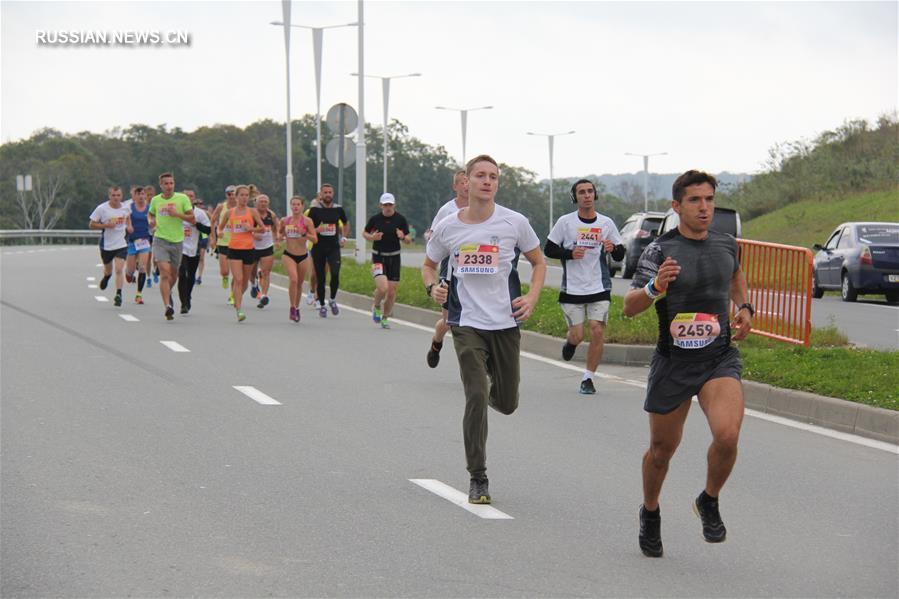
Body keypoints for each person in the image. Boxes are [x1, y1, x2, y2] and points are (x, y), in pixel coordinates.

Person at [623, 170, 754, 558]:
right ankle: (650, 511)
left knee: (727, 435)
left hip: (718, 358)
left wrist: (743, 306)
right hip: (674, 361)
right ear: (677, 206)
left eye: (709, 200)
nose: (704, 208)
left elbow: (734, 276)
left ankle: (709, 499)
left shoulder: (727, 243)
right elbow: (630, 306)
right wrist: (655, 287)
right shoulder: (660, 250)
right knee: (662, 450)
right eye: (695, 201)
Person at [422, 154, 546, 504]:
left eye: (493, 176)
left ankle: (492, 386)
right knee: (475, 393)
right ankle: (478, 476)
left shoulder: (514, 223)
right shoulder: (449, 226)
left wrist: (533, 298)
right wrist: (434, 288)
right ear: (467, 181)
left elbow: (539, 262)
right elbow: (429, 265)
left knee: (506, 403)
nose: (487, 181)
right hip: (466, 322)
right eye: (480, 175)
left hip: (506, 323)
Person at [543, 179, 625, 394]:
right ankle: (570, 343)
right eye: (582, 192)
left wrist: (612, 247)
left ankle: (588, 378)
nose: (587, 195)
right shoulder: (565, 222)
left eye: (590, 191)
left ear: (595, 195)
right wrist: (570, 253)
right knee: (578, 335)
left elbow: (620, 253)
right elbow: (549, 249)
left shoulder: (606, 223)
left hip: (599, 286)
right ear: (575, 197)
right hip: (572, 288)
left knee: (597, 330)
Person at [424, 170, 470, 367]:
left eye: (470, 181)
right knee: (450, 321)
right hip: (449, 269)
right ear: (456, 187)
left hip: (475, 273)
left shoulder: (485, 209)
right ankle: (437, 342)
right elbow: (433, 237)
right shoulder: (447, 211)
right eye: (463, 182)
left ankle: (476, 361)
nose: (467, 186)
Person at [148, 174, 195, 320]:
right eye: (166, 184)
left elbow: (192, 218)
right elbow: (150, 214)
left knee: (174, 275)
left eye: (171, 183)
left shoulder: (182, 199)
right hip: (160, 240)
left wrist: (177, 214)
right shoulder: (156, 200)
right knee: (165, 273)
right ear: (161, 186)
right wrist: (151, 222)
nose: (169, 186)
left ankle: (168, 292)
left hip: (177, 241)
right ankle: (167, 305)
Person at [363, 192, 411, 329]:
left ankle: (385, 317)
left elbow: (408, 240)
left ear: (394, 205)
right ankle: (377, 305)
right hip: (378, 256)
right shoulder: (375, 219)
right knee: (382, 287)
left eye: (390, 204)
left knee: (391, 292)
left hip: (395, 257)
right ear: (381, 206)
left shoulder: (400, 220)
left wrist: (402, 236)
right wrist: (372, 237)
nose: (388, 207)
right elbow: (364, 233)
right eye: (385, 205)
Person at [218, 184, 264, 322]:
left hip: (248, 249)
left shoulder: (252, 212)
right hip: (234, 249)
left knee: (244, 282)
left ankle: (237, 298)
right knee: (237, 279)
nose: (244, 198)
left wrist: (250, 229)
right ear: (236, 197)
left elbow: (262, 229)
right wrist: (219, 233)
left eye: (246, 195)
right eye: (241, 195)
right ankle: (239, 309)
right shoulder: (229, 213)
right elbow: (220, 228)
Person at [307, 183, 349, 317]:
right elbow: (307, 227)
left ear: (333, 194)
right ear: (321, 194)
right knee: (321, 277)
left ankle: (332, 299)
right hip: (318, 248)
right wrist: (316, 230)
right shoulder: (314, 210)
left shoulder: (338, 209)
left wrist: (344, 238)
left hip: (333, 248)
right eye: (325, 192)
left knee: (335, 274)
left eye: (330, 192)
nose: (328, 195)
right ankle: (322, 304)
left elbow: (346, 223)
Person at [89, 186, 133, 307]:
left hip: (121, 243)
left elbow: (128, 217)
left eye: (118, 195)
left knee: (119, 269)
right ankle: (106, 277)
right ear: (109, 196)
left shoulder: (125, 207)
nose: (116, 198)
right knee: (109, 269)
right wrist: (106, 225)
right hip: (107, 244)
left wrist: (129, 226)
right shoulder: (102, 209)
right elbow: (91, 224)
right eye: (113, 195)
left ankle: (118, 294)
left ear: (121, 196)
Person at [279, 196, 318, 322]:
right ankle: (292, 307)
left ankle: (297, 307)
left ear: (302, 206)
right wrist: (279, 238)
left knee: (300, 284)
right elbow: (279, 233)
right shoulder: (285, 220)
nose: (295, 207)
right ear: (290, 206)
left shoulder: (307, 221)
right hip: (288, 254)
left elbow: (315, 239)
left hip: (303, 256)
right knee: (294, 280)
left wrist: (304, 233)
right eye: (293, 204)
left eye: (298, 204)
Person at [177, 189, 212, 314]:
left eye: (191, 196)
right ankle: (183, 303)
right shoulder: (177, 211)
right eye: (186, 196)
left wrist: (196, 224)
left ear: (194, 198)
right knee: (182, 274)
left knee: (191, 276)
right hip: (179, 247)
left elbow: (208, 230)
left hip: (194, 248)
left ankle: (188, 296)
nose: (189, 198)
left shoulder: (200, 213)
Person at [124, 185, 152, 304]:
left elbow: (153, 221)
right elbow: (126, 221)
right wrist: (128, 226)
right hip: (132, 242)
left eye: (143, 194)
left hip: (145, 241)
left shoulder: (149, 208)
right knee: (130, 274)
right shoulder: (129, 208)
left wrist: (153, 225)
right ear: (134, 196)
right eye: (138, 194)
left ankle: (139, 294)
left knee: (142, 268)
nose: (141, 196)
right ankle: (129, 273)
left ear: (145, 196)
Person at [250, 194, 279, 309]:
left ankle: (264, 296)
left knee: (266, 272)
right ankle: (253, 284)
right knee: (251, 272)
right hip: (252, 247)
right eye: (261, 201)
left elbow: (275, 227)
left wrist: (276, 239)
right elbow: (244, 229)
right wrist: (253, 235)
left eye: (265, 202)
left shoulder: (271, 215)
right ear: (256, 203)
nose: (263, 203)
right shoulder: (251, 214)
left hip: (267, 246)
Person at [210, 185, 237, 300]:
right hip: (223, 242)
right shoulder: (222, 207)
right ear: (226, 195)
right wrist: (213, 237)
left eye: (234, 194)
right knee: (225, 271)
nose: (232, 196)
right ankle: (225, 277)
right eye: (229, 194)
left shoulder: (241, 208)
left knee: (236, 273)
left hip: (237, 243)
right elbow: (212, 221)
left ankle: (233, 295)